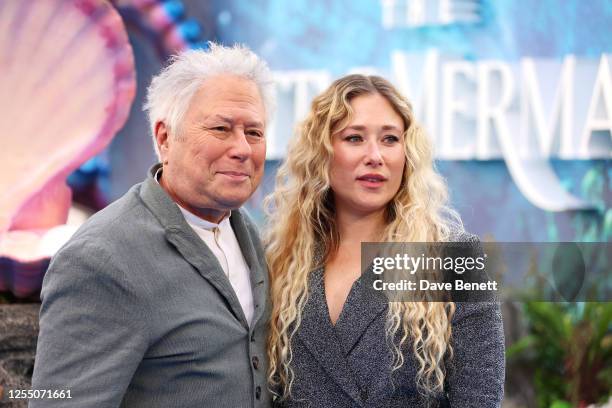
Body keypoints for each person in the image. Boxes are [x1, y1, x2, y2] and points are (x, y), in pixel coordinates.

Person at [31, 43, 274, 407]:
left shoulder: (245, 231)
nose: (242, 148)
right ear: (164, 138)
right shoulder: (101, 259)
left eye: (253, 132)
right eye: (221, 128)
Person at [265, 74, 505, 407]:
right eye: (354, 138)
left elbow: (479, 396)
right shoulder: (281, 261)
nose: (375, 155)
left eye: (390, 139)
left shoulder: (453, 257)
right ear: (322, 152)